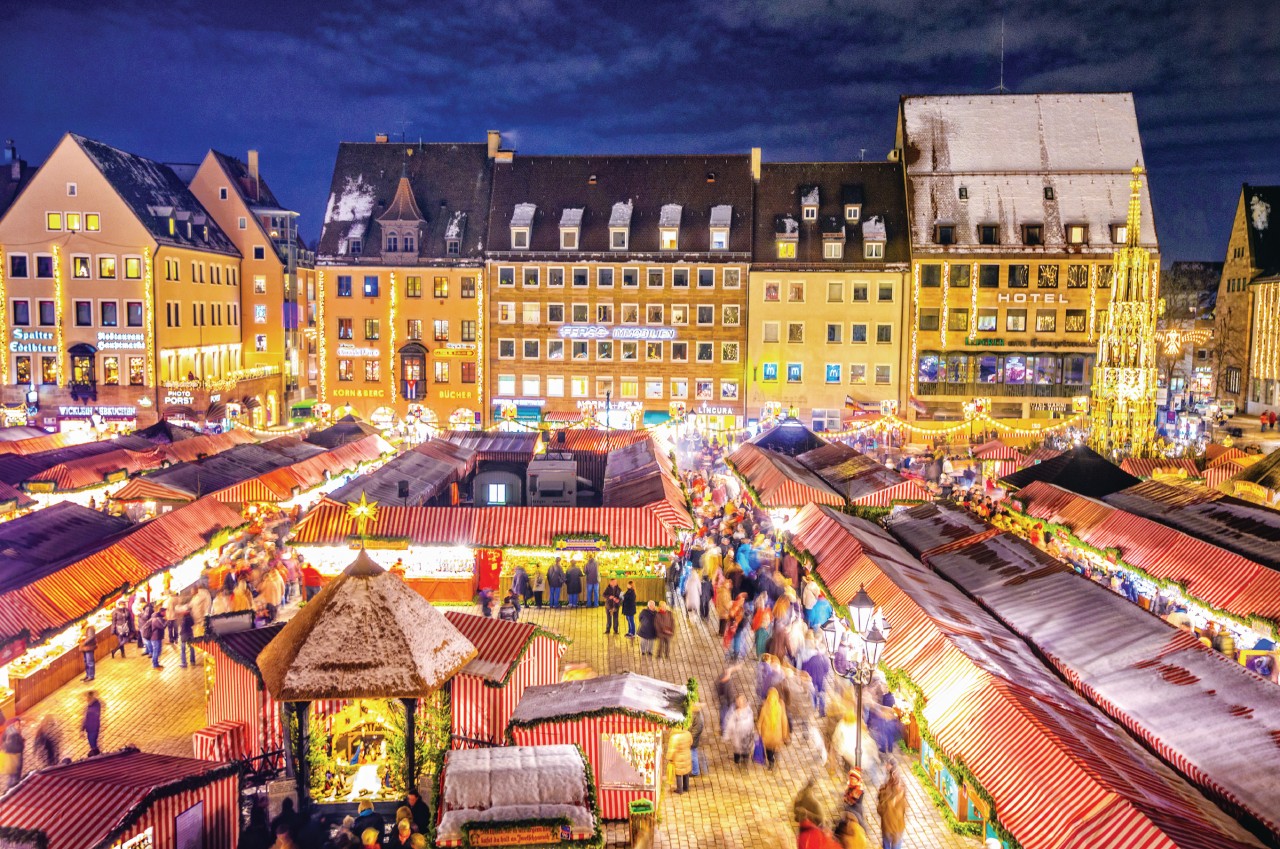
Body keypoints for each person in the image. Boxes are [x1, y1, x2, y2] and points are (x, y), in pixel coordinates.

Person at [876, 761, 908, 849]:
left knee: (886, 845)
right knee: (896, 845)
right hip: (898, 827)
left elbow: (880, 810)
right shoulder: (902, 792)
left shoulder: (884, 791)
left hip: (887, 826)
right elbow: (904, 809)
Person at [756, 687, 789, 770]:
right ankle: (775, 760)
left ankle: (771, 762)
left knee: (769, 750)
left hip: (767, 736)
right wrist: (784, 735)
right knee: (776, 749)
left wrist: (759, 731)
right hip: (777, 736)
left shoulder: (764, 708)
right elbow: (784, 722)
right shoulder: (780, 708)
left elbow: (759, 722)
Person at [723, 694, 755, 766]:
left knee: (745, 757)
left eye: (741, 701)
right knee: (737, 758)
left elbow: (750, 723)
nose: (739, 703)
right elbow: (729, 724)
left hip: (746, 739)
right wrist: (727, 735)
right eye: (738, 701)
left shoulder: (748, 711)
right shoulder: (734, 712)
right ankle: (737, 766)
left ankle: (744, 768)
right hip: (737, 740)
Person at [668, 722, 693, 794]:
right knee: (686, 772)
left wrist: (669, 758)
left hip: (678, 758)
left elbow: (672, 750)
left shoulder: (674, 737)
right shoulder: (688, 734)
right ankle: (686, 787)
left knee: (678, 774)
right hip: (687, 755)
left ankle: (679, 789)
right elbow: (691, 742)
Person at [1, 720, 23, 791]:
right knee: (15, 776)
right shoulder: (14, 734)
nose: (20, 726)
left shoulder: (8, 729)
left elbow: (3, 740)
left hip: (9, 758)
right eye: (18, 724)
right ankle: (12, 790)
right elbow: (13, 747)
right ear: (14, 724)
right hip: (14, 758)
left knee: (12, 775)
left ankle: (10, 789)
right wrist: (21, 744)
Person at [82, 690, 102, 756]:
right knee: (92, 741)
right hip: (91, 727)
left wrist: (82, 728)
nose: (86, 699)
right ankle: (95, 751)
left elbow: (86, 718)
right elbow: (85, 718)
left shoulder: (93, 706)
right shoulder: (93, 705)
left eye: (88, 698)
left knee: (92, 741)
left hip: (93, 727)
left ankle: (95, 752)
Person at [178, 604, 197, 668]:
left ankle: (184, 663)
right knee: (192, 648)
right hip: (190, 633)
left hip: (184, 634)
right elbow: (192, 623)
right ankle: (192, 661)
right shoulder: (190, 617)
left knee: (183, 649)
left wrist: (180, 633)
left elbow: (183, 627)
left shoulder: (184, 618)